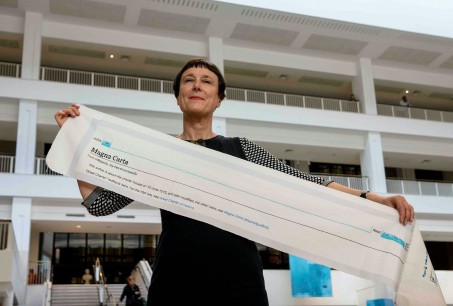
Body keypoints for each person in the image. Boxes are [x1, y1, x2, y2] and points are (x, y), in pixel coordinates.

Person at [54, 58, 414, 306]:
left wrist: (372, 198)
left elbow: (303, 182)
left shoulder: (240, 149)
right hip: (175, 281)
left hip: (238, 280)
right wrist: (76, 145)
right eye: (188, 81)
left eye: (206, 81)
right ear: (178, 97)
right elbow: (100, 204)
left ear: (219, 99)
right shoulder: (159, 152)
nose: (197, 85)